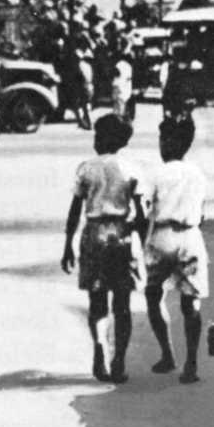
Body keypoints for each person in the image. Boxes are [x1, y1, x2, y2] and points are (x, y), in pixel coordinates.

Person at [61, 112, 146, 384]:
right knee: (122, 303)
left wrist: (68, 246)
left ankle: (99, 348)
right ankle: (119, 359)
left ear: (107, 138)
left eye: (98, 135)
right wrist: (144, 247)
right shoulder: (132, 168)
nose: (95, 140)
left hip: (94, 234)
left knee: (97, 301)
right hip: (121, 234)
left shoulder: (87, 168)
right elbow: (142, 215)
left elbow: (74, 211)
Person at [143, 114, 209, 384]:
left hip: (162, 236)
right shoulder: (197, 173)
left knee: (153, 295)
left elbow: (145, 209)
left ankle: (167, 354)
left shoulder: (156, 173)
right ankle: (191, 362)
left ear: (169, 142)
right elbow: (202, 213)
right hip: (191, 237)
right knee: (190, 302)